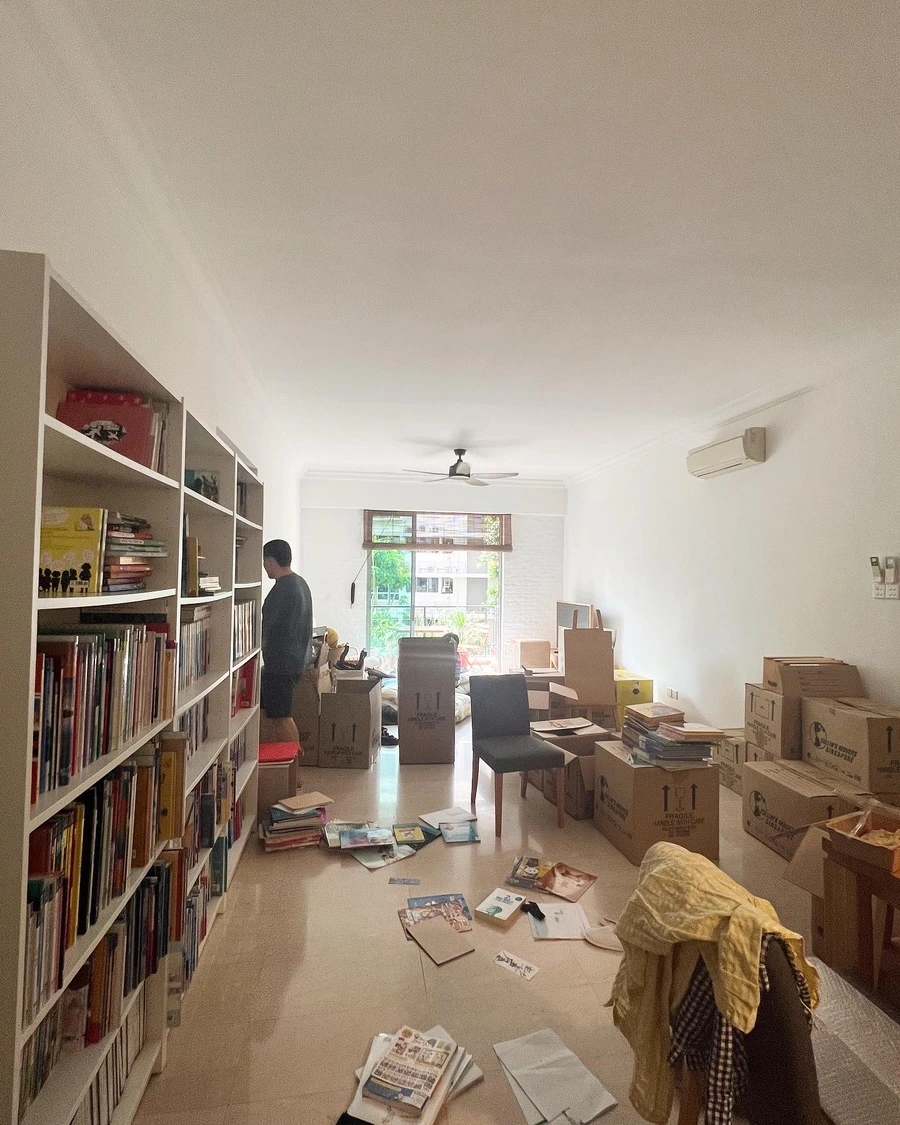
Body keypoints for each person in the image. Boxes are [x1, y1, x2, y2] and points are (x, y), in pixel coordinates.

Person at [261, 539, 313, 741]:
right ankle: (276, 759)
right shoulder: (300, 583)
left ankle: (294, 759)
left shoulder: (281, 591)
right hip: (295, 661)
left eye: (265, 562)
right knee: (270, 714)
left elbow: (266, 630)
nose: (264, 567)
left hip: (281, 666)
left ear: (270, 561)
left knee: (282, 718)